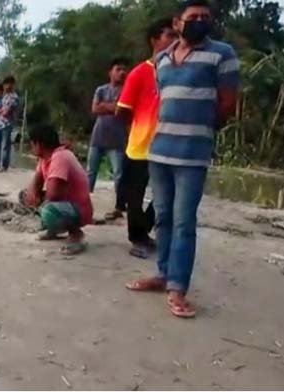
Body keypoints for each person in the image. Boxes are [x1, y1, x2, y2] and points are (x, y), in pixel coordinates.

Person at [127, 0, 240, 319]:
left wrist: (200, 128)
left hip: (193, 153)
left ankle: (178, 288)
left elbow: (227, 104)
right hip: (159, 150)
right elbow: (165, 101)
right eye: (193, 17)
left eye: (206, 17)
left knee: (183, 221)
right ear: (177, 23)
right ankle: (163, 274)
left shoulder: (222, 54)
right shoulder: (162, 60)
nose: (201, 21)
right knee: (162, 217)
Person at [117, 18, 178, 259]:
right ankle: (137, 238)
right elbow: (122, 109)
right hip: (140, 146)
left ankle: (143, 231)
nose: (174, 41)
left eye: (176, 36)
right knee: (135, 195)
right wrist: (137, 129)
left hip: (168, 145)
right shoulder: (139, 73)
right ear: (154, 40)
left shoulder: (176, 71)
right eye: (169, 36)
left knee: (166, 194)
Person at [20, 123, 93, 255]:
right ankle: (53, 229)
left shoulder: (60, 157)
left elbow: (53, 194)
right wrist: (33, 195)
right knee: (25, 196)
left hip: (78, 209)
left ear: (39, 144)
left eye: (32, 144)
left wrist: (38, 200)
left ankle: (76, 234)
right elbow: (35, 184)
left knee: (48, 210)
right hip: (65, 203)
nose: (31, 148)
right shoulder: (45, 158)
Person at [87, 58, 129, 221]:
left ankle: (119, 206)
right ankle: (84, 200)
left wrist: (105, 106)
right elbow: (95, 109)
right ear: (110, 72)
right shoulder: (101, 89)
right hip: (98, 136)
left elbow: (121, 111)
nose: (122, 72)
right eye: (118, 69)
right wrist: (111, 106)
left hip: (118, 139)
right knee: (91, 171)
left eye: (124, 69)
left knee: (119, 174)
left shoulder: (127, 90)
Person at [0, 76, 20, 172]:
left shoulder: (14, 97)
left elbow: (6, 112)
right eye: (5, 84)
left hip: (7, 124)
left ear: (12, 84)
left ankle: (4, 166)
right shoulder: (5, 96)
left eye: (8, 84)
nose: (6, 86)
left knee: (5, 146)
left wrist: (1, 111)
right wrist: (2, 110)